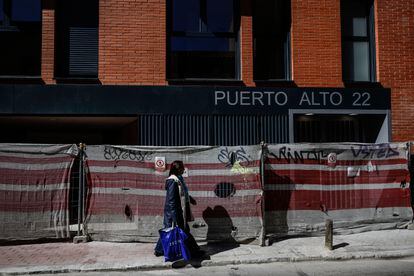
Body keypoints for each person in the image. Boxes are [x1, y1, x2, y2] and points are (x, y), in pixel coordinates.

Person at [154, 160, 203, 259]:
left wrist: (190, 199)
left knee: (172, 230)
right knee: (178, 230)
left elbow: (182, 193)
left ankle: (159, 250)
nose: (184, 169)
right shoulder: (172, 181)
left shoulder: (178, 178)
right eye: (182, 168)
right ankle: (195, 251)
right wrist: (175, 217)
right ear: (177, 169)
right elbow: (171, 200)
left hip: (177, 211)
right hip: (174, 212)